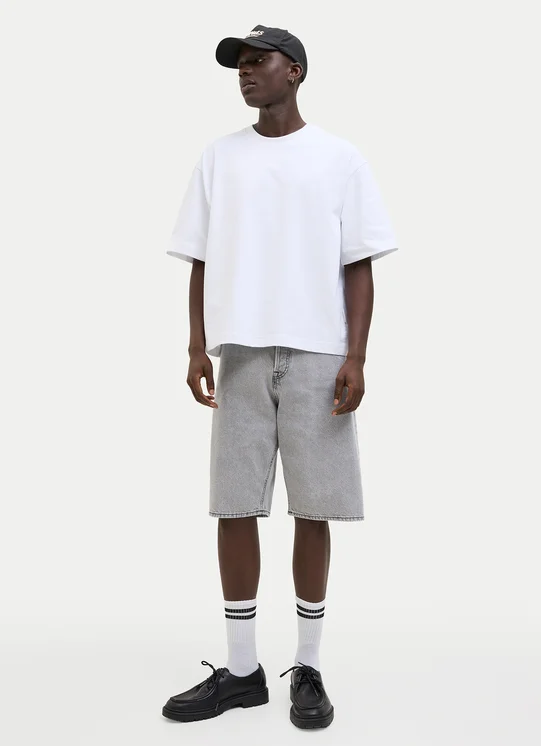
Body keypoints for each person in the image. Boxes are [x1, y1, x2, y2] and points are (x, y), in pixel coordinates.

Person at [161, 24, 398, 729]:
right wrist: (197, 346)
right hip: (240, 352)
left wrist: (356, 356)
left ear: (294, 70)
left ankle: (309, 667)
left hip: (319, 352)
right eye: (239, 64)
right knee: (234, 506)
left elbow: (359, 263)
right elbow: (201, 259)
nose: (245, 72)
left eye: (257, 61)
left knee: (313, 509)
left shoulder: (339, 159)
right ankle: (242, 672)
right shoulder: (219, 157)